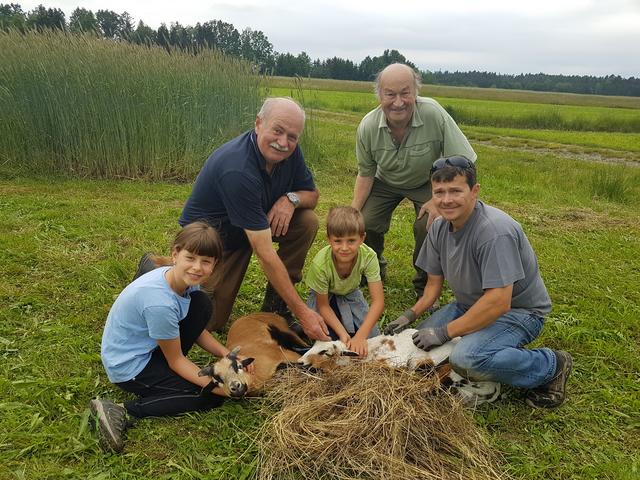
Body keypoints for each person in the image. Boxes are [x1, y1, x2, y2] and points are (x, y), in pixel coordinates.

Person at [384, 157, 572, 408]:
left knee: (467, 358)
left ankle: (551, 365)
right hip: (469, 305)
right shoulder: (439, 227)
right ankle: (479, 351)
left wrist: (444, 332)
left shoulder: (495, 232)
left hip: (519, 312)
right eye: (439, 192)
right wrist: (408, 316)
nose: (446, 199)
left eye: (455, 191)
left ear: (474, 191)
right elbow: (432, 286)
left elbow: (498, 302)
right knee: (418, 346)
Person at [141, 97, 330, 341]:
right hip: (214, 239)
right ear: (259, 123)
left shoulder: (289, 152)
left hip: (249, 226)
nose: (284, 142)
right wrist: (304, 313)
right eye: (278, 131)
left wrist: (290, 199)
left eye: (292, 137)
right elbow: (264, 253)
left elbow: (312, 195)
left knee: (306, 222)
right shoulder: (238, 169)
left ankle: (276, 306)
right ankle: (155, 268)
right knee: (209, 321)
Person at [90, 222, 255, 453]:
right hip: (130, 367)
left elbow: (197, 329)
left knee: (200, 305)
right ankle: (123, 409)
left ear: (214, 265)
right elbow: (176, 360)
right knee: (207, 397)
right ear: (175, 254)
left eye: (206, 261)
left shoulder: (184, 282)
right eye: (191, 258)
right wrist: (217, 386)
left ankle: (176, 384)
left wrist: (227, 354)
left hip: (149, 347)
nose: (197, 268)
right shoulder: (160, 303)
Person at [352, 63, 477, 299]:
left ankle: (424, 284)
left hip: (426, 182)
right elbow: (366, 173)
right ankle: (372, 270)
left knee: (429, 224)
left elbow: (465, 162)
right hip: (385, 181)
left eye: (405, 93)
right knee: (365, 222)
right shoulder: (368, 126)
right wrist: (353, 211)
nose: (398, 102)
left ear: (416, 92)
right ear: (379, 95)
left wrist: (437, 200)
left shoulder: (434, 113)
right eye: (390, 94)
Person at [305, 207, 384, 356]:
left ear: (362, 238)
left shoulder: (369, 256)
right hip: (323, 297)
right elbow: (323, 306)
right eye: (338, 241)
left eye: (351, 241)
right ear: (329, 239)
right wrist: (342, 334)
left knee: (373, 338)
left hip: (351, 293)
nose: (344, 248)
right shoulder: (320, 264)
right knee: (328, 342)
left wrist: (360, 336)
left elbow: (378, 302)